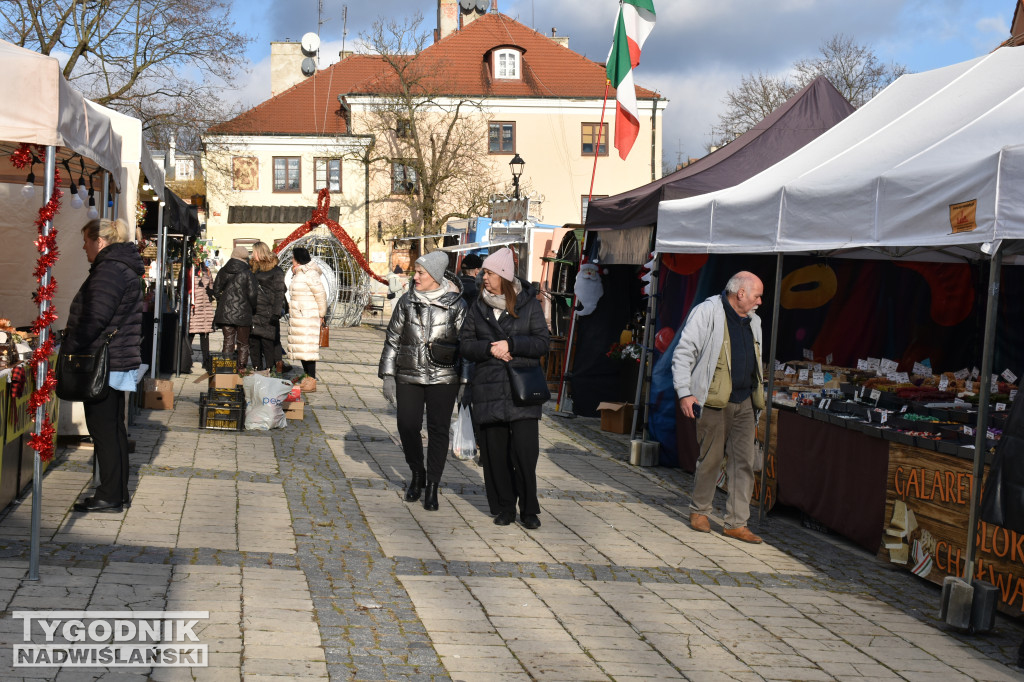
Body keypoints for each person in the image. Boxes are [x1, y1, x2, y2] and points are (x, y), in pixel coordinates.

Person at [671, 271, 766, 544]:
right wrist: (685, 392)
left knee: (744, 463)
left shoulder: (754, 322)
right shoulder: (707, 312)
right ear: (741, 293)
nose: (760, 301)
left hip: (745, 401)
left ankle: (737, 522)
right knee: (711, 459)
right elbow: (684, 351)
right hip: (712, 400)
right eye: (756, 295)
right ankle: (699, 511)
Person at [459, 247, 550, 529]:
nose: (483, 278)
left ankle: (529, 510)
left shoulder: (529, 304)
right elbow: (465, 344)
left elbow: (541, 343)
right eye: (484, 272)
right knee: (495, 455)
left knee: (524, 454)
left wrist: (512, 345)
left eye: (488, 273)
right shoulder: (478, 306)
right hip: (489, 390)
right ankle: (504, 507)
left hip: (521, 391)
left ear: (503, 275)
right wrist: (490, 348)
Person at [67, 218, 144, 513]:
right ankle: (116, 491)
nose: (84, 247)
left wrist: (72, 348)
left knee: (104, 430)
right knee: (112, 429)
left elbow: (94, 317)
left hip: (104, 362)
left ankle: (110, 494)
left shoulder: (109, 270)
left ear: (99, 241)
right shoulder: (120, 267)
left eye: (86, 241)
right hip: (115, 360)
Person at [379, 251, 466, 511]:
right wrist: (387, 374)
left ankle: (432, 485)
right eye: (415, 272)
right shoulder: (406, 302)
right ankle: (417, 473)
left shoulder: (457, 305)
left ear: (435, 276)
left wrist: (464, 381)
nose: (414, 277)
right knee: (407, 425)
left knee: (439, 430)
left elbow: (466, 345)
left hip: (444, 376)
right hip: (409, 373)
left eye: (420, 273)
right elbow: (393, 339)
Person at [287, 247, 327, 392]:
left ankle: (312, 380)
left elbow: (320, 295)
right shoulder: (300, 272)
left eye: (293, 257)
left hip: (308, 316)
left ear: (298, 258)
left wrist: (322, 314)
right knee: (303, 350)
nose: (292, 260)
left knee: (308, 350)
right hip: (300, 316)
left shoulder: (310, 273)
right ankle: (307, 378)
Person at [212, 244, 258, 373]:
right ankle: (241, 368)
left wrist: (223, 302)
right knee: (243, 342)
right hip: (244, 313)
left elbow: (216, 290)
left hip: (226, 313)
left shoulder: (223, 270)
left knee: (228, 341)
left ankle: (227, 366)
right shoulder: (248, 273)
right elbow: (253, 294)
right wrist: (252, 307)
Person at [248, 242, 287, 372]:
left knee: (268, 343)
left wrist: (276, 313)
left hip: (268, 313)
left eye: (254, 252)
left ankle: (269, 369)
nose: (252, 255)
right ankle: (257, 368)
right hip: (254, 311)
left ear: (259, 252)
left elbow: (279, 292)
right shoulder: (253, 268)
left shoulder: (276, 270)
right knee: (253, 343)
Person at [188, 261, 215, 372]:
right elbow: (211, 287)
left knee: (191, 335)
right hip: (201, 308)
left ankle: (187, 360)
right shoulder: (206, 271)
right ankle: (205, 361)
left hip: (197, 308)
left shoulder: (189, 271)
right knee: (203, 336)